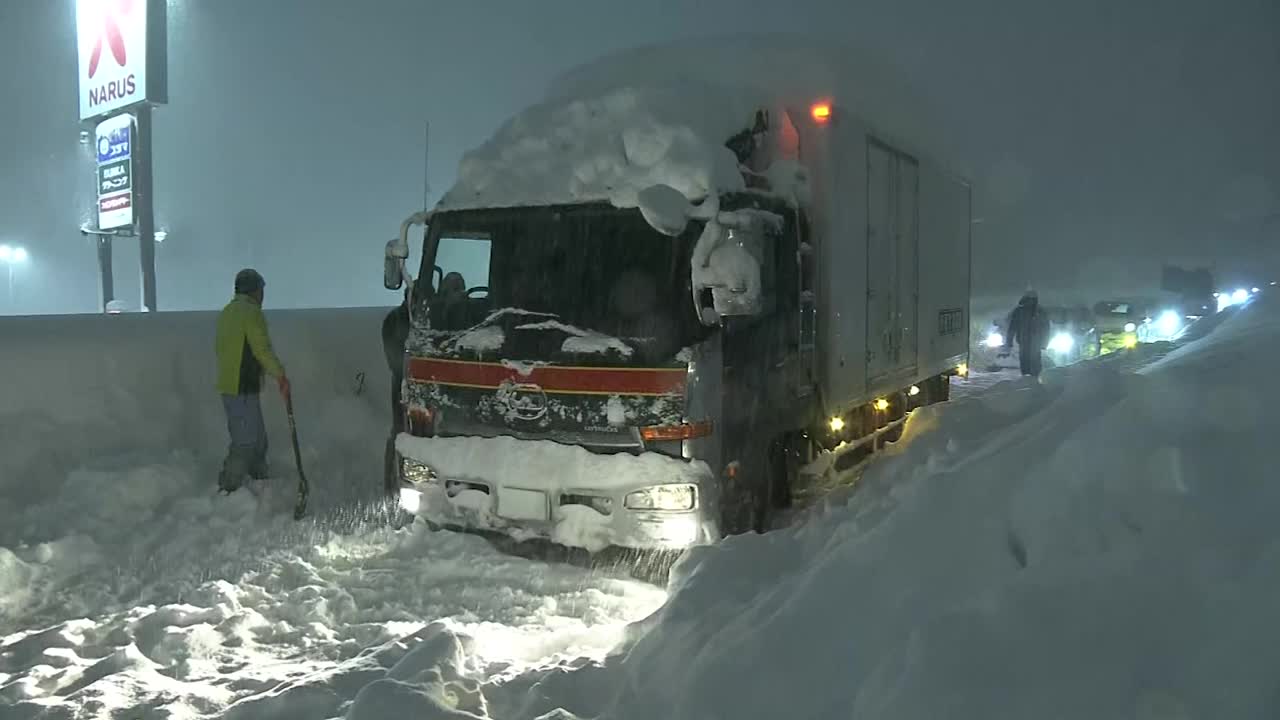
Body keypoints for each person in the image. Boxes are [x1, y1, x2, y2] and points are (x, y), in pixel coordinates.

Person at [215, 268, 289, 493]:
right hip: (242, 384)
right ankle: (229, 486)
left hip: (231, 384)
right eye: (261, 290)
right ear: (254, 291)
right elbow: (261, 348)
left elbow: (220, 347)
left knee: (257, 437)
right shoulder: (250, 312)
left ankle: (259, 478)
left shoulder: (227, 311)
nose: (262, 296)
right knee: (246, 440)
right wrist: (280, 375)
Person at [382, 297, 411, 496]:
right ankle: (392, 480)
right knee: (400, 429)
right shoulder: (396, 320)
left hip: (407, 380)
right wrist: (405, 374)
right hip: (403, 382)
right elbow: (393, 357)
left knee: (400, 429)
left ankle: (396, 478)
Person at [1003, 288, 1051, 377]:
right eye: (1029, 299)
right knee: (1025, 360)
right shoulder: (1019, 311)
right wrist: (1009, 341)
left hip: (1034, 341)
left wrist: (1045, 342)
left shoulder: (1039, 312)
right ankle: (1027, 378)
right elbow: (1012, 327)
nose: (1031, 302)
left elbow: (1046, 328)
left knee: (1034, 360)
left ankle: (1034, 379)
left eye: (1032, 300)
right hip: (1025, 340)